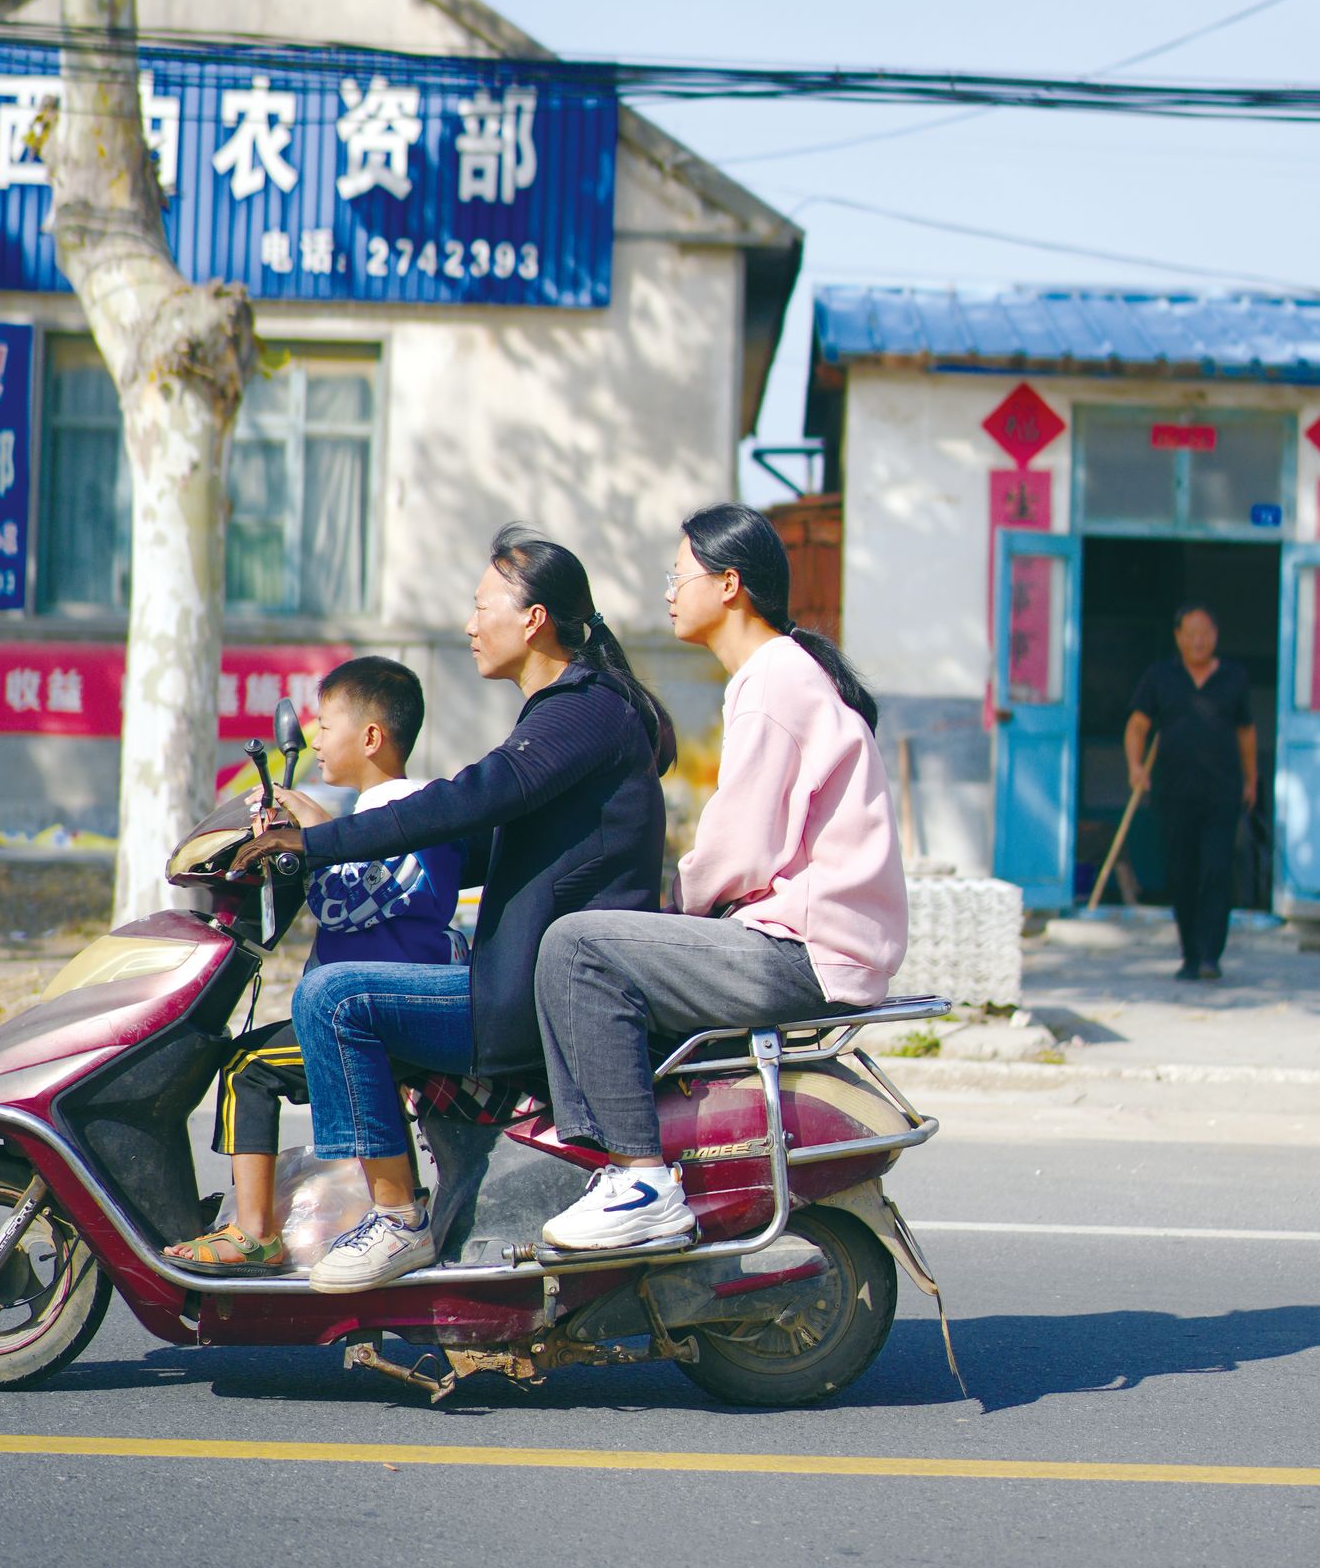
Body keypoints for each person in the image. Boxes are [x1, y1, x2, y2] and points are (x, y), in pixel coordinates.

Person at [229, 525, 674, 1292]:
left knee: (334, 997)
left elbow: (473, 798)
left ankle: (396, 1218)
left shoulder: (581, 711)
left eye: (481, 605)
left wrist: (320, 843)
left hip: (528, 995)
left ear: (533, 619)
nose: (470, 624)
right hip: (520, 979)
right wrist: (332, 838)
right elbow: (484, 843)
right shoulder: (569, 714)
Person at [535, 502, 908, 1256]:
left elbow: (738, 849)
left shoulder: (771, 681)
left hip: (802, 950)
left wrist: (673, 901)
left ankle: (637, 1179)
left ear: (729, 583)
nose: (670, 589)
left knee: (577, 946)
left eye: (680, 573)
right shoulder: (781, 672)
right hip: (813, 940)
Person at [166, 656, 465, 1269]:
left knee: (250, 1066)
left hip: (389, 1014)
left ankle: (254, 1234)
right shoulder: (379, 814)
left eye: (326, 723)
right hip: (373, 1009)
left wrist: (310, 830)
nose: (315, 737)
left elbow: (345, 905)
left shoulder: (408, 809)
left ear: (372, 737)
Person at [1125, 602, 1258, 984]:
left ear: (1215, 636)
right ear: (1178, 637)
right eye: (1191, 633)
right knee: (1182, 874)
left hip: (1222, 793)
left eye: (1205, 633)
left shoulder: (1234, 677)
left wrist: (1251, 779)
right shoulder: (1160, 677)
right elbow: (1137, 725)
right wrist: (1135, 766)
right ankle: (1189, 955)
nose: (1198, 641)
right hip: (1173, 793)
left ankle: (1210, 956)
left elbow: (1246, 733)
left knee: (1216, 871)